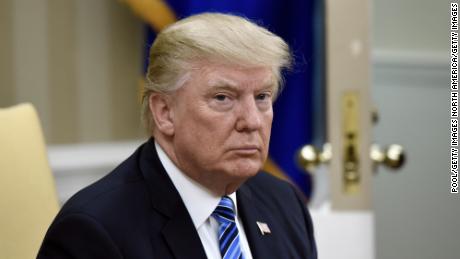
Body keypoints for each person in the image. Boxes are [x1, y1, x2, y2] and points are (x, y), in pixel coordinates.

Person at [37, 13, 317, 259]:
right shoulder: (94, 231)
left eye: (262, 97)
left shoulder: (283, 202)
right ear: (165, 112)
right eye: (222, 98)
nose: (252, 121)